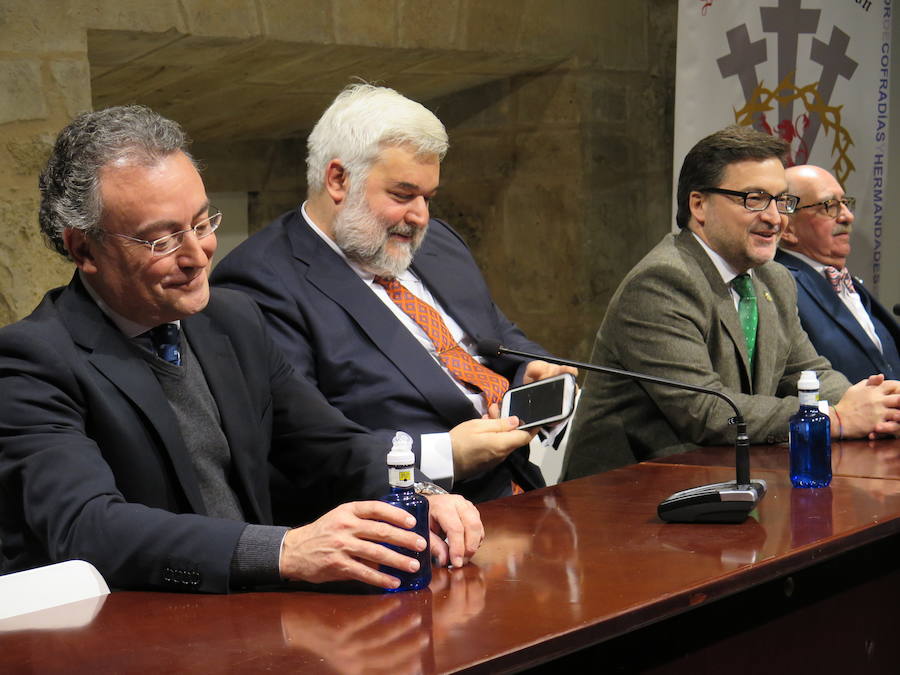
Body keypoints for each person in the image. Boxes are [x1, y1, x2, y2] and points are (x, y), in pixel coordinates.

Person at [0, 105, 484, 593]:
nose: (198, 256)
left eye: (202, 223)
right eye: (162, 240)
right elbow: (89, 527)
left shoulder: (232, 319)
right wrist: (284, 550)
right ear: (83, 249)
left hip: (255, 612)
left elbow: (331, 447)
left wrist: (418, 493)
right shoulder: (30, 362)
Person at [212, 84, 575, 503]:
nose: (421, 216)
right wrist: (446, 456)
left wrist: (533, 367)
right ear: (338, 179)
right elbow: (302, 446)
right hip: (409, 516)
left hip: (522, 490)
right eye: (403, 195)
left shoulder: (437, 242)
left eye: (428, 197)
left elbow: (498, 334)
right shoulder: (260, 282)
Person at [565, 126, 900, 479]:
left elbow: (807, 373)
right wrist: (837, 418)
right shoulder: (663, 282)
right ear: (699, 205)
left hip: (721, 483)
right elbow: (707, 412)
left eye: (780, 200)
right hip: (623, 500)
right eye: (754, 199)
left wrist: (879, 408)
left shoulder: (774, 278)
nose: (774, 217)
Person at [776, 164, 900, 382]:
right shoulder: (780, 285)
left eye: (844, 203)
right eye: (829, 206)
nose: (847, 216)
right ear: (787, 229)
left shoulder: (846, 280)